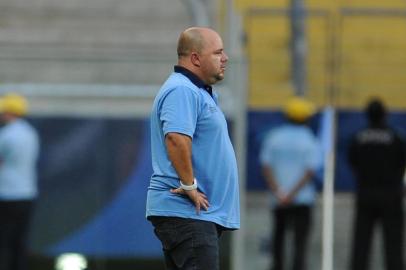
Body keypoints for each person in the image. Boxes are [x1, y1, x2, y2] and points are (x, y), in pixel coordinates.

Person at [145, 27, 240, 270]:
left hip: (195, 215)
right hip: (188, 213)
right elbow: (176, 139)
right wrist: (189, 185)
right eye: (218, 52)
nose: (225, 58)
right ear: (196, 58)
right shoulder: (182, 89)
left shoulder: (199, 91)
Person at [259, 97, 321, 270]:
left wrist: (279, 192)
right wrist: (292, 194)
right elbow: (310, 171)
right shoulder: (310, 139)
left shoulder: (274, 136)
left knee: (278, 240)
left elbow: (266, 166)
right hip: (302, 200)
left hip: (278, 199)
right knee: (300, 244)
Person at [348, 98, 405, 270]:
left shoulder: (358, 137)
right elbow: (402, 162)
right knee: (393, 245)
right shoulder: (395, 137)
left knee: (361, 245)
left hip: (365, 193)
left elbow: (353, 161)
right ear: (385, 115)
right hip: (391, 195)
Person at [0, 93, 40, 270]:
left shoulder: (6, 135)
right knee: (20, 241)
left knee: (4, 241)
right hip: (27, 193)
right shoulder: (31, 133)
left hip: (7, 194)